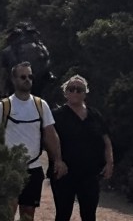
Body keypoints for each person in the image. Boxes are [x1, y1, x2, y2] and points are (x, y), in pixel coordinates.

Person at [0, 61, 68, 220]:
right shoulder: (3, 107)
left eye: (30, 76)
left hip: (33, 169)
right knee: (6, 213)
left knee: (28, 214)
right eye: (23, 77)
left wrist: (58, 160)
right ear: (14, 79)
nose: (27, 80)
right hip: (9, 168)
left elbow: (50, 134)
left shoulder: (41, 105)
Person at [49, 74, 114, 221]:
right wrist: (58, 161)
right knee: (63, 214)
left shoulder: (95, 115)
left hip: (90, 174)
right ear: (65, 92)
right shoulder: (56, 115)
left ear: (85, 93)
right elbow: (49, 141)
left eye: (79, 89)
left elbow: (106, 140)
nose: (75, 92)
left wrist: (109, 163)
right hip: (64, 174)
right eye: (71, 89)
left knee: (89, 215)